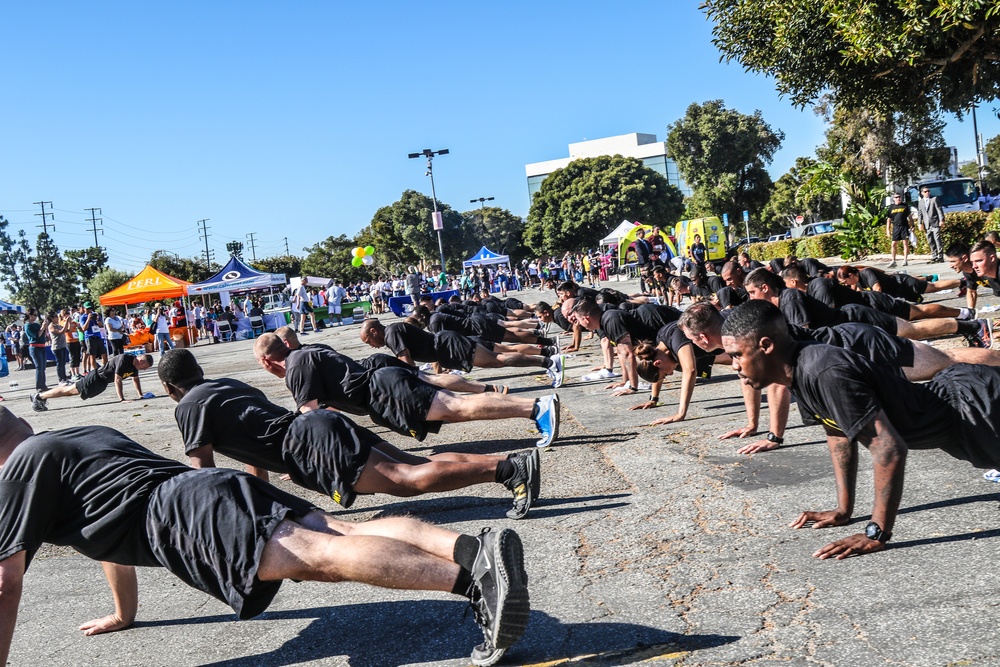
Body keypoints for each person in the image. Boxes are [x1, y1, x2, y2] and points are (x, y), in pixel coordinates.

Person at [0, 409, 531, 665]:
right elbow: (106, 535)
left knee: (320, 556)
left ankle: (475, 581)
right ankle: (470, 548)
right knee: (342, 529)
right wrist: (124, 614)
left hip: (183, 515)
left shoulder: (19, 472)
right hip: (206, 488)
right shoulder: (72, 438)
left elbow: (6, 583)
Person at [720, 300, 1000, 560]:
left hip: (977, 407)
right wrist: (843, 510)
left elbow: (888, 449)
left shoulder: (824, 371)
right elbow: (838, 433)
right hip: (961, 420)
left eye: (737, 356)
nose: (734, 367)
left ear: (766, 345)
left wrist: (876, 532)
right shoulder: (796, 372)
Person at [158, 349, 541, 520]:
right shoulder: (227, 385)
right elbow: (249, 456)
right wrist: (262, 503)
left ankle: (509, 470)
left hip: (309, 444)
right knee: (415, 464)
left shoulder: (188, 406)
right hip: (318, 425)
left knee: (407, 481)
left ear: (168, 386)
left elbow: (204, 471)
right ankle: (508, 466)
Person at [253, 333, 560, 447]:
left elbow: (311, 416)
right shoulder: (307, 352)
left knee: (457, 408)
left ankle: (535, 407)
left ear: (267, 360)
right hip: (384, 383)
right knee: (454, 404)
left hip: (384, 390)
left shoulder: (295, 366)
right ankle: (533, 407)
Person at [31, 353, 152, 411]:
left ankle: (41, 396)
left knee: (70, 391)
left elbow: (135, 379)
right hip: (95, 378)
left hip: (101, 383)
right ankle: (40, 396)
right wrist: (122, 399)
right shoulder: (125, 359)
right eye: (145, 366)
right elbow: (117, 379)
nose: (144, 369)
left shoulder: (134, 367)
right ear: (140, 360)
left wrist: (140, 395)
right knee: (68, 391)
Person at [916, 185, 945, 262]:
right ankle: (934, 255)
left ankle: (940, 256)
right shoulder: (921, 202)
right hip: (927, 225)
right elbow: (920, 213)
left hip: (935, 223)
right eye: (925, 191)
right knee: (930, 241)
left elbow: (939, 210)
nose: (927, 193)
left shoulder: (934, 199)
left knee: (937, 239)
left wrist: (941, 220)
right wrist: (919, 223)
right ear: (922, 193)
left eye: (928, 191)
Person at [22, 309, 48, 392]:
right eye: (35, 315)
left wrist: (45, 327)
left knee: (43, 367)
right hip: (35, 347)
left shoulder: (36, 325)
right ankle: (39, 386)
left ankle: (43, 385)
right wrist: (43, 327)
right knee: (39, 367)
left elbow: (43, 334)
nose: (36, 317)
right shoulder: (27, 326)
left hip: (42, 346)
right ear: (30, 315)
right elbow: (36, 336)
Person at [79, 301, 108, 372]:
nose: (89, 310)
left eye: (90, 308)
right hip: (90, 338)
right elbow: (83, 329)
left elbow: (101, 325)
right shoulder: (83, 317)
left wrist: (98, 320)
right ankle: (95, 371)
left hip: (98, 337)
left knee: (104, 354)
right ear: (84, 309)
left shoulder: (95, 315)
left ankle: (105, 369)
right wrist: (88, 319)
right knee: (92, 356)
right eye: (88, 309)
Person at [885, 192, 911, 267]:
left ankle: (905, 260)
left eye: (899, 197)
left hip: (904, 226)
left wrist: (912, 225)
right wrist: (888, 230)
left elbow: (910, 217)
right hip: (896, 227)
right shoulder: (891, 207)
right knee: (893, 244)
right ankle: (893, 260)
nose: (898, 198)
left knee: (905, 243)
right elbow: (889, 219)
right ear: (894, 199)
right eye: (896, 197)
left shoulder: (905, 206)